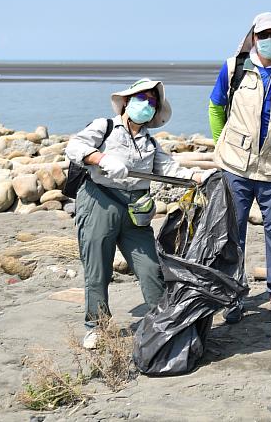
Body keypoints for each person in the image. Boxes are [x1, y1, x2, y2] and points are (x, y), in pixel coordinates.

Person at [66, 79, 210, 349]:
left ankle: (161, 322)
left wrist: (199, 176)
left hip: (135, 210)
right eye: (142, 98)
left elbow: (170, 169)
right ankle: (97, 326)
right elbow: (74, 148)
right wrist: (102, 159)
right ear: (127, 102)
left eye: (152, 102)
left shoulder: (150, 143)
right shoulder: (104, 127)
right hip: (100, 200)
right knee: (97, 268)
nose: (146, 105)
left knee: (151, 268)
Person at [209, 12, 271, 322]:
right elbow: (215, 107)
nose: (268, 41)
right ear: (253, 36)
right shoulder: (234, 68)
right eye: (263, 34)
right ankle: (233, 295)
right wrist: (221, 144)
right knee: (232, 233)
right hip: (235, 166)